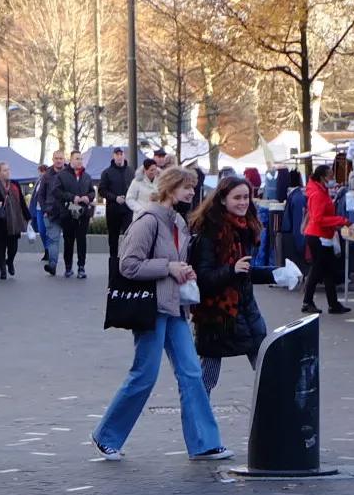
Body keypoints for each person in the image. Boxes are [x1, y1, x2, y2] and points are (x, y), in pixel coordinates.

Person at [91, 166, 228, 461]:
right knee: (145, 374)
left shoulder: (177, 221)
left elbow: (172, 262)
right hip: (152, 308)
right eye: (186, 187)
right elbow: (128, 265)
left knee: (191, 373)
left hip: (174, 307)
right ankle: (106, 436)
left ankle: (204, 443)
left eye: (192, 187)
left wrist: (183, 271)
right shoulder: (148, 220)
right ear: (169, 188)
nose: (191, 192)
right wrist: (168, 267)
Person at [189, 173, 271, 429]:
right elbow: (203, 278)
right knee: (208, 376)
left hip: (246, 311)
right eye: (237, 197)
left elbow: (245, 272)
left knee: (268, 368)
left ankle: (277, 420)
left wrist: (277, 274)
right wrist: (231, 270)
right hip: (217, 315)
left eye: (246, 197)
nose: (243, 202)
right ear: (223, 199)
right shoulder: (210, 232)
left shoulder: (247, 228)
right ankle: (200, 427)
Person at [300, 162, 351, 314]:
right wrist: (340, 220)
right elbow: (318, 219)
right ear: (322, 178)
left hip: (321, 236)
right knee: (318, 269)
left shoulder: (321, 192)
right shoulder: (318, 194)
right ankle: (308, 302)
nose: (333, 178)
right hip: (318, 236)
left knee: (327, 270)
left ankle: (332, 303)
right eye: (330, 175)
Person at [58, 158, 98, 279]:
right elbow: (57, 192)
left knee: (81, 240)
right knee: (68, 241)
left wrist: (88, 197)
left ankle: (81, 267)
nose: (79, 161)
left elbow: (92, 192)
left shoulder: (86, 176)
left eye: (81, 159)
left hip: (83, 213)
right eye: (77, 159)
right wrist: (72, 197)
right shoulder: (62, 175)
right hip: (68, 213)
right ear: (71, 160)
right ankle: (68, 267)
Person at [99, 146, 135, 261]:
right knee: (113, 239)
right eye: (117, 154)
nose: (119, 157)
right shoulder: (107, 173)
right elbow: (102, 191)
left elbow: (136, 188)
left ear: (124, 155)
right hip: (113, 211)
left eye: (121, 154)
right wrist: (115, 198)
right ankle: (113, 262)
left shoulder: (131, 171)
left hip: (128, 210)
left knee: (129, 236)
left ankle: (128, 260)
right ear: (113, 156)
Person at [36, 151, 69, 274]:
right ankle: (52, 264)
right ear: (53, 159)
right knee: (53, 240)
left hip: (68, 212)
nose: (59, 160)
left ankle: (69, 267)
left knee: (69, 240)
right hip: (51, 213)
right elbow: (40, 195)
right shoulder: (47, 175)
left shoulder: (69, 174)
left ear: (64, 159)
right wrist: (45, 209)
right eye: (56, 158)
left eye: (61, 158)